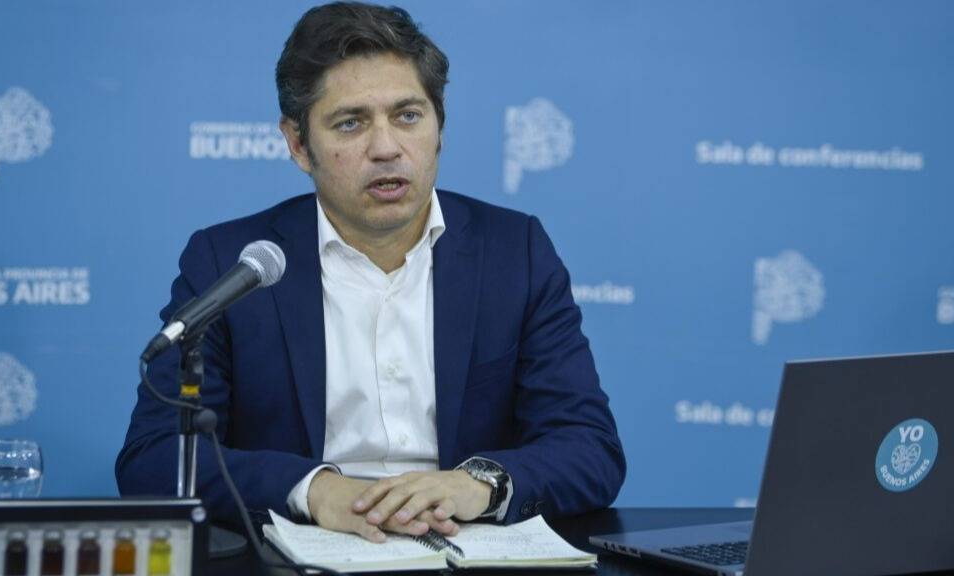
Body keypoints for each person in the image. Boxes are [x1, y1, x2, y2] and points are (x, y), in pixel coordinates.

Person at [116, 1, 625, 543]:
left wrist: (477, 485)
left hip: (466, 548)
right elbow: (155, 457)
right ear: (298, 144)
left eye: (408, 116)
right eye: (350, 123)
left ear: (439, 126)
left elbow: (589, 446)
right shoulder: (231, 263)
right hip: (308, 554)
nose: (386, 148)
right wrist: (313, 490)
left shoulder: (514, 251)